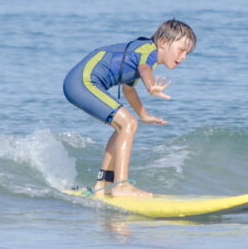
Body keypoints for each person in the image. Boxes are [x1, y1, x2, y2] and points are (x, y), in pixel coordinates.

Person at [63, 19, 196, 197]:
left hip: (79, 82)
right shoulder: (148, 52)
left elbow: (128, 89)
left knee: (123, 127)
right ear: (163, 42)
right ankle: (122, 185)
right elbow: (144, 68)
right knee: (128, 124)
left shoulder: (138, 53)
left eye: (187, 53)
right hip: (82, 83)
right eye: (181, 50)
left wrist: (143, 114)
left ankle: (103, 184)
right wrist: (150, 86)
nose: (183, 57)